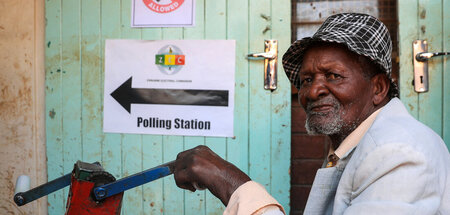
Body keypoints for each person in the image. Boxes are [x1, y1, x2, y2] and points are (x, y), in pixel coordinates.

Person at [173, 13, 450, 214]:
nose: (313, 91)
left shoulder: (399, 152)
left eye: (333, 75)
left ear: (378, 88)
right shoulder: (356, 144)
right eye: (306, 80)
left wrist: (232, 183)